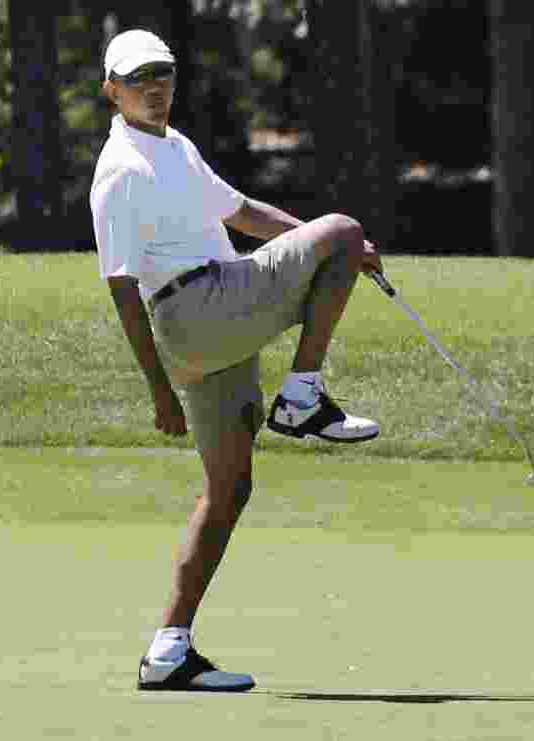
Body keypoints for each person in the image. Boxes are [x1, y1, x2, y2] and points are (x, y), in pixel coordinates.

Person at [90, 29, 384, 693]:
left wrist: (333, 248)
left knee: (230, 487)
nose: (155, 88)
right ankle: (302, 396)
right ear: (112, 90)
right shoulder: (119, 172)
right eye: (139, 79)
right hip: (196, 313)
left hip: (214, 324)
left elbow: (244, 213)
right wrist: (158, 390)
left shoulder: (177, 148)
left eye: (163, 74)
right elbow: (122, 288)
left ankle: (168, 648)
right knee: (339, 227)